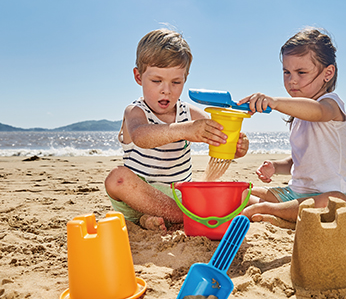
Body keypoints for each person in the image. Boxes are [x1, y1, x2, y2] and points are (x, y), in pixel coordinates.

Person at [104, 28, 249, 232]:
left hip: (179, 195)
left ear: (185, 78)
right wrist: (185, 130)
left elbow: (218, 134)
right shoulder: (135, 111)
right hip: (140, 197)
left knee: (236, 190)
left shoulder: (188, 112)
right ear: (138, 76)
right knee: (117, 179)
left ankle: (154, 219)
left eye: (176, 82)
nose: (166, 90)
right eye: (157, 81)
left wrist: (234, 146)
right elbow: (141, 136)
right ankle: (184, 217)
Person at [237, 27, 346, 228]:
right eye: (287, 72)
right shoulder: (298, 114)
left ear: (328, 73)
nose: (292, 80)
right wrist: (276, 166)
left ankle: (270, 210)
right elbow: (299, 161)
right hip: (296, 194)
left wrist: (274, 102)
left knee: (336, 203)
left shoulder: (331, 104)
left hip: (331, 195)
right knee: (241, 194)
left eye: (301, 72)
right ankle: (281, 213)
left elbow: (319, 112)